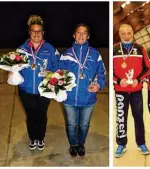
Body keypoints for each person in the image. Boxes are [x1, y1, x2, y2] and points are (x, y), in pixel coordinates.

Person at [57, 24, 106, 157]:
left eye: (84, 33)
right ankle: (73, 145)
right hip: (69, 99)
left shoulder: (95, 54)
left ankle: (81, 144)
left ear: (88, 36)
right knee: (72, 124)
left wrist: (98, 85)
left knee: (84, 125)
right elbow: (58, 74)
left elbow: (101, 73)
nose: (81, 36)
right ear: (74, 35)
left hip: (88, 98)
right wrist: (59, 87)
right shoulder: (66, 54)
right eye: (78, 33)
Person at [15, 15, 60, 151]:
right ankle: (32, 137)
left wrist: (52, 74)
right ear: (29, 32)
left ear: (43, 33)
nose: (36, 34)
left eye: (39, 31)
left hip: (44, 90)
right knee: (30, 115)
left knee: (41, 115)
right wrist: (12, 72)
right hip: (26, 90)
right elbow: (14, 67)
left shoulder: (50, 49)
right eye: (33, 31)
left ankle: (40, 138)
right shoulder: (21, 49)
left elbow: (57, 67)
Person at [113, 24, 150, 158]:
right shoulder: (114, 49)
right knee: (121, 119)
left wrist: (138, 79)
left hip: (136, 90)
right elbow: (110, 70)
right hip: (120, 90)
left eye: (129, 33)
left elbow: (148, 68)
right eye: (123, 33)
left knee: (138, 117)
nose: (126, 36)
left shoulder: (140, 49)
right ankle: (121, 144)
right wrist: (118, 81)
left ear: (133, 33)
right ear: (119, 34)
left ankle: (141, 143)